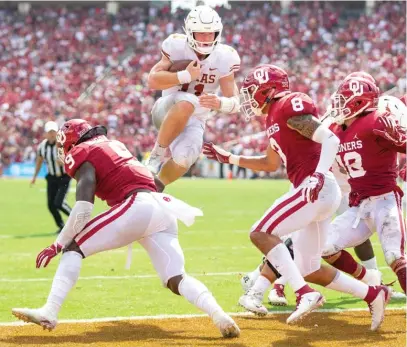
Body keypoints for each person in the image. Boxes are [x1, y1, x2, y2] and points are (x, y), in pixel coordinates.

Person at [12, 119, 240, 339]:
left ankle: (50, 311)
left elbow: (82, 208)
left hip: (136, 206)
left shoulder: (83, 152)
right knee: (176, 278)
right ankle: (219, 315)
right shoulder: (114, 145)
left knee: (73, 247)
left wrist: (57, 243)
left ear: (72, 141)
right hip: (161, 206)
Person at [204, 64, 390, 330]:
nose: (249, 98)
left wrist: (317, 175)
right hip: (319, 191)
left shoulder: (289, 105)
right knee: (309, 267)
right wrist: (229, 157)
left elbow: (330, 140)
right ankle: (373, 294)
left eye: (253, 91)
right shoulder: (272, 117)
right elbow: (269, 163)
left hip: (313, 186)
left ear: (269, 90)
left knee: (260, 233)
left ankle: (303, 293)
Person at [321, 76, 406, 294]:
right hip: (358, 206)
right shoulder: (337, 129)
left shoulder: (377, 120)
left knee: (394, 256)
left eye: (344, 99)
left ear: (359, 103)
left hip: (385, 200)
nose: (338, 104)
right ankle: (370, 280)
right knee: (324, 247)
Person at [146, 5, 240, 186]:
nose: (206, 38)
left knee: (186, 157)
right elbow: (152, 80)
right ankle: (156, 156)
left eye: (210, 33)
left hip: (197, 118)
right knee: (187, 101)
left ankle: (153, 189)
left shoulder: (225, 57)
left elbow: (235, 102)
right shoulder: (176, 45)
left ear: (217, 33)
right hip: (166, 109)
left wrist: (220, 102)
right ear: (190, 32)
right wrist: (185, 76)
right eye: (200, 33)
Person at [31, 121, 72, 233]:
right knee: (51, 205)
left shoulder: (62, 144)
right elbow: (39, 161)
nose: (52, 134)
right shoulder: (42, 146)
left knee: (59, 203)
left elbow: (72, 159)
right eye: (50, 132)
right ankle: (62, 226)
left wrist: (64, 161)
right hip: (52, 178)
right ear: (46, 133)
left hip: (64, 176)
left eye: (54, 131)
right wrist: (34, 176)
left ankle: (77, 221)